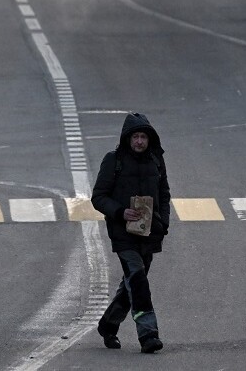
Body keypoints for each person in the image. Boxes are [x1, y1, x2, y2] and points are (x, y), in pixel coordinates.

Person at [91, 112, 171, 354]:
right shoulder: (113, 160)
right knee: (137, 280)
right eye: (135, 136)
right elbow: (98, 197)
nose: (139, 141)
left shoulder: (156, 161)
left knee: (132, 284)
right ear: (127, 139)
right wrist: (120, 212)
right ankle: (148, 334)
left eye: (143, 137)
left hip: (150, 233)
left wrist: (163, 223)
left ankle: (108, 325)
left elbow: (164, 194)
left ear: (149, 139)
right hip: (123, 234)